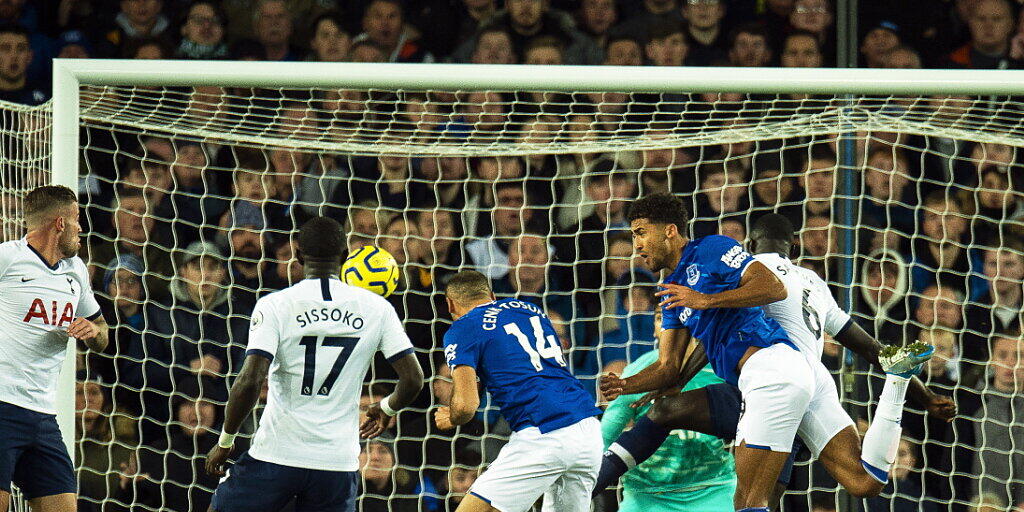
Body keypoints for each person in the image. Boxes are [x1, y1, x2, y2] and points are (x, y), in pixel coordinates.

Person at [598, 198, 951, 511]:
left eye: (641, 233)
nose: (637, 245)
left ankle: (592, 479)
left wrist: (704, 302)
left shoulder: (725, 257)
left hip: (770, 374)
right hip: (809, 376)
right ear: (793, 245)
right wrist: (625, 385)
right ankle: (897, 384)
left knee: (746, 501)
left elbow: (765, 291)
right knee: (866, 482)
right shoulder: (813, 281)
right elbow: (869, 346)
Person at [205, 216, 424, 512]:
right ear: (345, 258)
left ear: (297, 255)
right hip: (336, 462)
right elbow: (413, 380)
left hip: (277, 454)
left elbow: (250, 380)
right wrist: (386, 408)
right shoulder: (378, 308)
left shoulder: (275, 305)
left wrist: (226, 440)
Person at [435, 270, 603, 512]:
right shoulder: (528, 308)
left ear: (450, 304)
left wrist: (451, 416)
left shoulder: (462, 328)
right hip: (588, 429)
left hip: (545, 431)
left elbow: (466, 406)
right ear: (492, 296)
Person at [0, 185, 109, 512]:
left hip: (44, 417)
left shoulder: (75, 272)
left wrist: (92, 330)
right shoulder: (8, 257)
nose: (81, 229)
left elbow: (103, 332)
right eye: (77, 220)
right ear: (60, 223)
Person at [601, 346, 736, 512]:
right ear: (655, 330)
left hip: (713, 488)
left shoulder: (719, 369)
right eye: (659, 319)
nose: (668, 326)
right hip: (647, 494)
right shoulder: (639, 370)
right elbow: (605, 435)